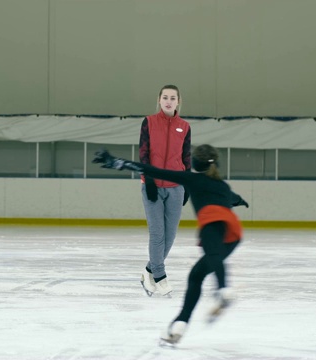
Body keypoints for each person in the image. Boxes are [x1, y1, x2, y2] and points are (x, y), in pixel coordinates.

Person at [92, 144, 249, 346]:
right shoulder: (223, 186)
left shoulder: (191, 178)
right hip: (233, 233)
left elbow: (152, 170)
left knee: (212, 253)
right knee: (196, 275)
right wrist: (240, 200)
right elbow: (233, 198)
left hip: (213, 222)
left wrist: (118, 162)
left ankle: (224, 290)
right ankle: (180, 324)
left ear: (195, 163)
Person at [138, 84, 191, 297]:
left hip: (175, 188)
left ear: (178, 102)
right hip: (152, 186)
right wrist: (148, 179)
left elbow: (186, 158)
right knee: (157, 234)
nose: (169, 101)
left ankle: (148, 271)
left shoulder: (185, 127)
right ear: (159, 100)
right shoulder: (149, 122)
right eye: (165, 97)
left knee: (170, 236)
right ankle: (159, 276)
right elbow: (143, 152)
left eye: (173, 98)